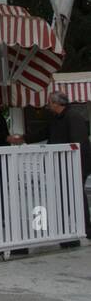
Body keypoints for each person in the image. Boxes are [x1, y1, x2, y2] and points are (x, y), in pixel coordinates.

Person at [43, 89, 91, 237]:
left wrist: (75, 164)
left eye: (50, 102)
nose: (48, 105)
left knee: (75, 194)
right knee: (67, 194)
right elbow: (44, 132)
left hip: (76, 164)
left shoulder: (73, 117)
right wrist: (24, 138)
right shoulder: (57, 118)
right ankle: (63, 226)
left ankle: (86, 228)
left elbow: (78, 142)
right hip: (64, 164)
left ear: (57, 103)